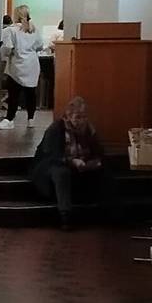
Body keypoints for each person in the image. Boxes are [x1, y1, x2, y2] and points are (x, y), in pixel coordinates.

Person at [31, 97, 106, 227]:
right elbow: (51, 154)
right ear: (69, 116)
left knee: (104, 171)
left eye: (83, 117)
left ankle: (106, 210)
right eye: (77, 117)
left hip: (80, 164)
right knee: (61, 173)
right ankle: (65, 214)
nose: (80, 121)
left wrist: (93, 162)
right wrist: (72, 161)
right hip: (52, 165)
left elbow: (98, 152)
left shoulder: (89, 130)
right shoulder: (56, 128)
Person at [1, 4, 45, 125]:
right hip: (32, 64)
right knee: (31, 93)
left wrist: (5, 54)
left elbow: (7, 48)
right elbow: (40, 46)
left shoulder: (10, 30)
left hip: (17, 65)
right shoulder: (34, 29)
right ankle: (31, 119)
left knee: (14, 93)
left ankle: (10, 119)